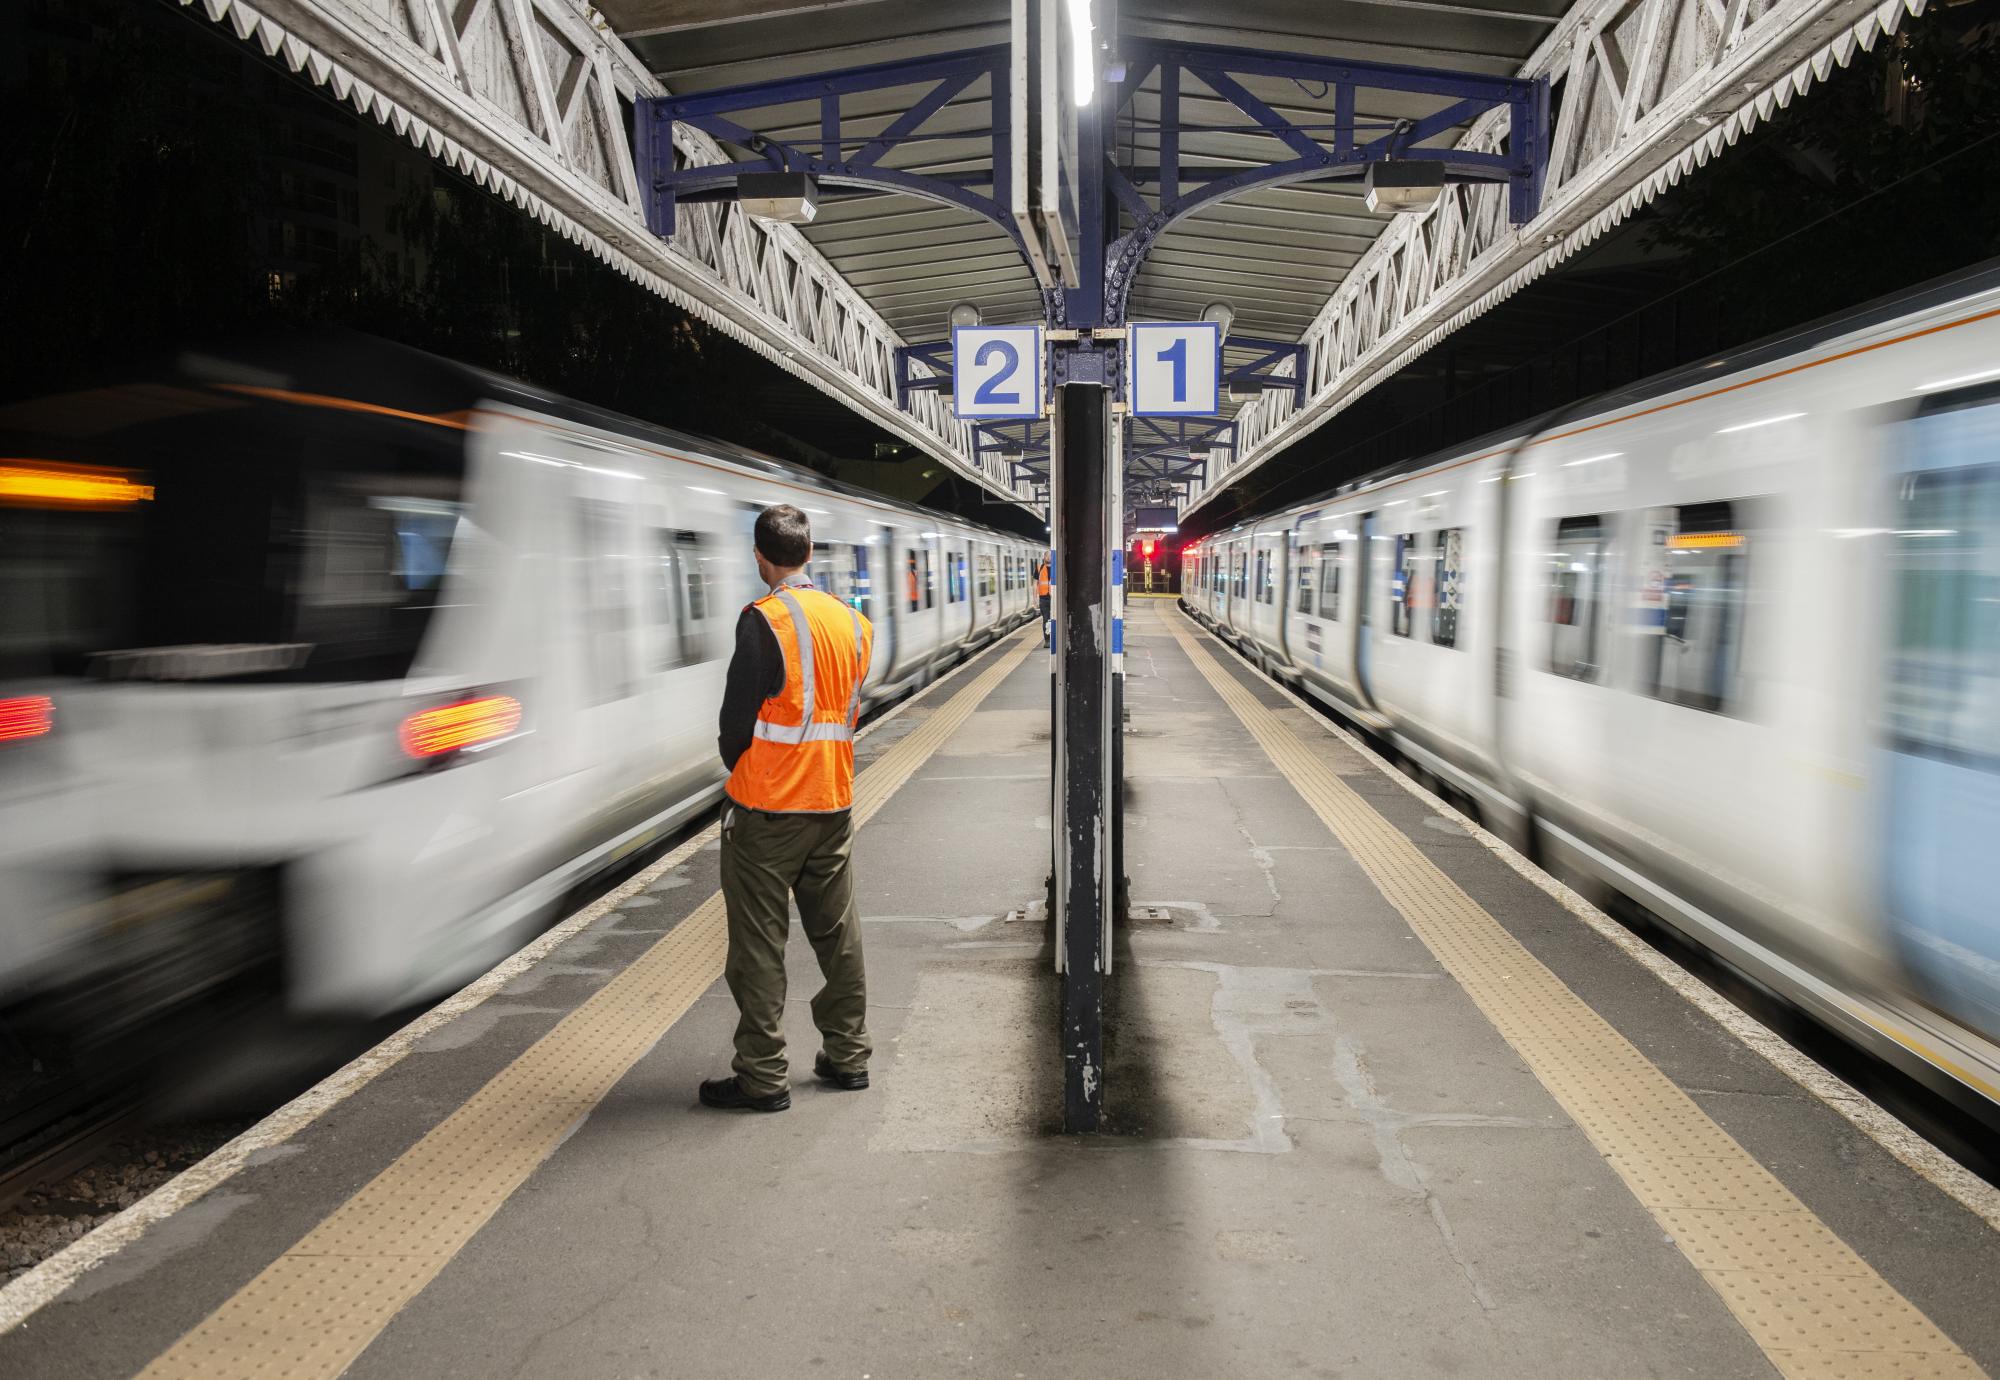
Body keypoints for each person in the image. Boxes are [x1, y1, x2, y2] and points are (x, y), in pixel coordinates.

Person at [700, 504, 875, 1113]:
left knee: (758, 948)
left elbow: (734, 726)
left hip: (769, 812)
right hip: (833, 803)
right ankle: (849, 1057)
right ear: (808, 553)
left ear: (759, 557)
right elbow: (850, 711)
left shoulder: (763, 621)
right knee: (838, 937)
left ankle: (763, 1075)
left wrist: (746, 769)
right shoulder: (854, 623)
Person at [1036, 553, 1052, 647]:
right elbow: (1035, 583)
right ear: (1044, 557)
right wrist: (1034, 599)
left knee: (1056, 619)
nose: (1048, 558)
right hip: (1043, 598)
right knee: (1046, 619)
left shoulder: (1057, 568)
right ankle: (1047, 640)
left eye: (1050, 556)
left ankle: (1056, 638)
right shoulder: (1039, 568)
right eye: (1047, 556)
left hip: (1054, 598)